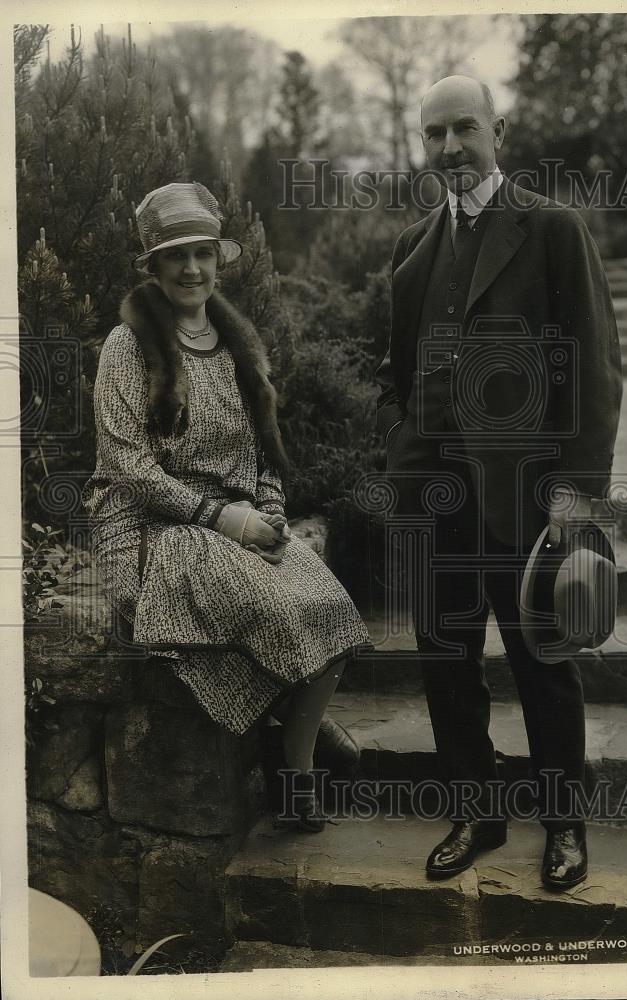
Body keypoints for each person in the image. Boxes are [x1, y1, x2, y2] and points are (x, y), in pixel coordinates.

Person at [375, 77, 622, 888]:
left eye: (465, 129)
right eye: (434, 133)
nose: (450, 148)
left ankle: (563, 824)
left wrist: (576, 497)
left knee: (540, 660)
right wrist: (401, 454)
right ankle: (475, 813)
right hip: (432, 500)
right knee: (445, 659)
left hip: (525, 495)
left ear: (498, 131)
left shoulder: (549, 228)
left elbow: (593, 369)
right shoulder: (413, 248)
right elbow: (398, 372)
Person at [81, 182, 371, 832]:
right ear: (153, 268)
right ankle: (300, 756)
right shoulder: (127, 348)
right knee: (273, 612)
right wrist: (220, 519)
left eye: (201, 254)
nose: (190, 269)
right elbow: (130, 465)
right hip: (160, 527)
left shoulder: (242, 345)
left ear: (218, 258)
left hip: (237, 519)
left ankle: (289, 761)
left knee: (333, 615)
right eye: (174, 256)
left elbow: (265, 452)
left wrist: (268, 512)